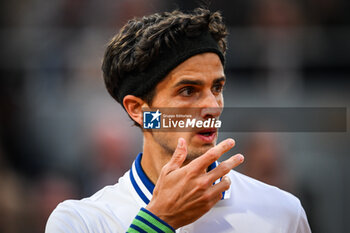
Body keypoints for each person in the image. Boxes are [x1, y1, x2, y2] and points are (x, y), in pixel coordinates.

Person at [46, 8, 311, 233]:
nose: (212, 106)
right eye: (188, 91)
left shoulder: (283, 213)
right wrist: (158, 222)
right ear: (138, 110)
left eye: (217, 88)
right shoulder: (80, 221)